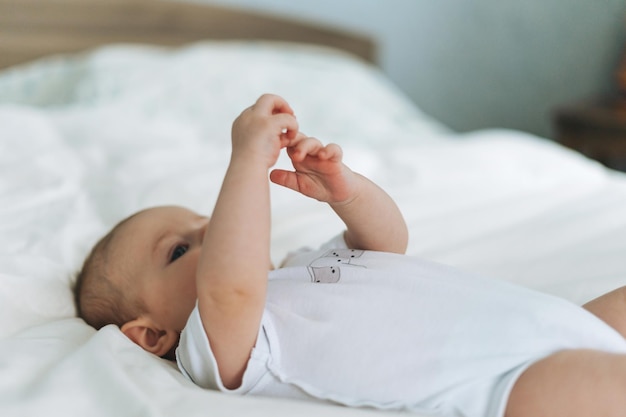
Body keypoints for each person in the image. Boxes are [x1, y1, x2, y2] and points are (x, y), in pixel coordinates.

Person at [74, 94, 626, 417]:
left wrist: (348, 192)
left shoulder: (301, 267)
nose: (215, 227)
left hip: (551, 320)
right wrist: (246, 160)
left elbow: (387, 246)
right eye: (179, 248)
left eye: (206, 220)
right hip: (502, 385)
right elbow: (230, 285)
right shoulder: (219, 340)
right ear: (150, 335)